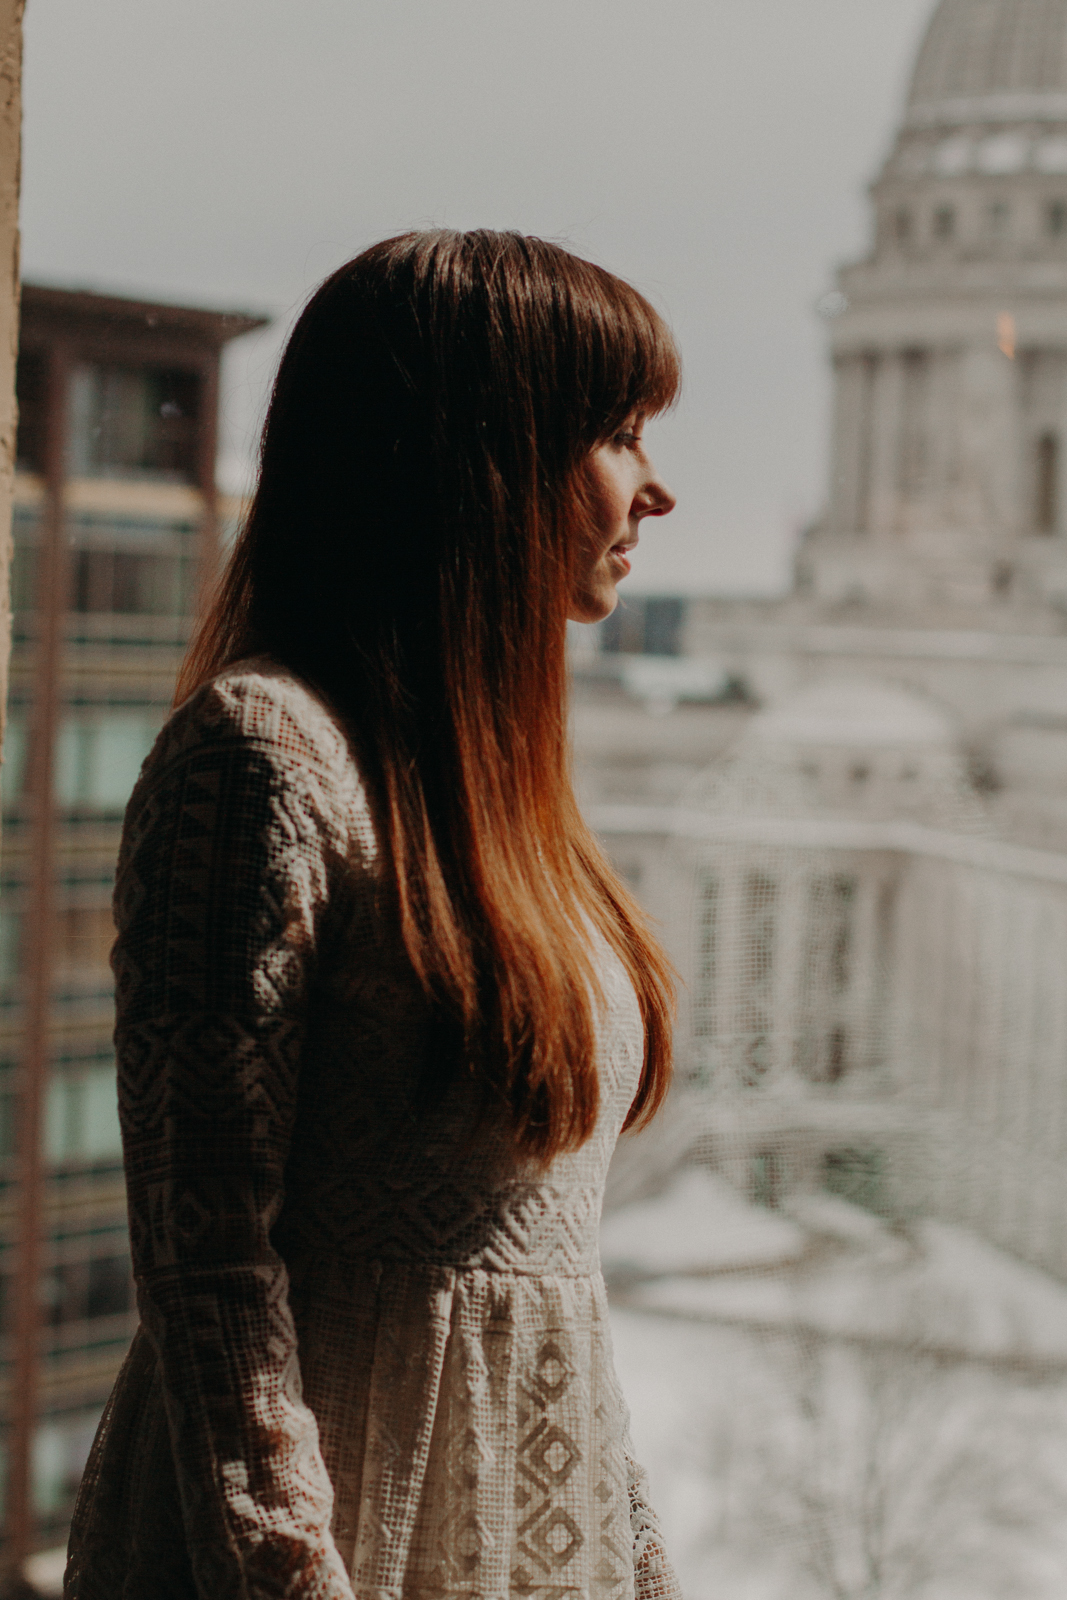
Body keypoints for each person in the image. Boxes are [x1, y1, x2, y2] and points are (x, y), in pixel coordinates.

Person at [65, 230, 682, 1600]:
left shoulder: (505, 809)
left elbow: (553, 1291)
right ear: (486, 458)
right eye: (619, 434)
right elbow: (207, 1270)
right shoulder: (262, 757)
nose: (658, 489)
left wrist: (636, 1556)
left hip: (522, 1541)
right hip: (330, 1554)